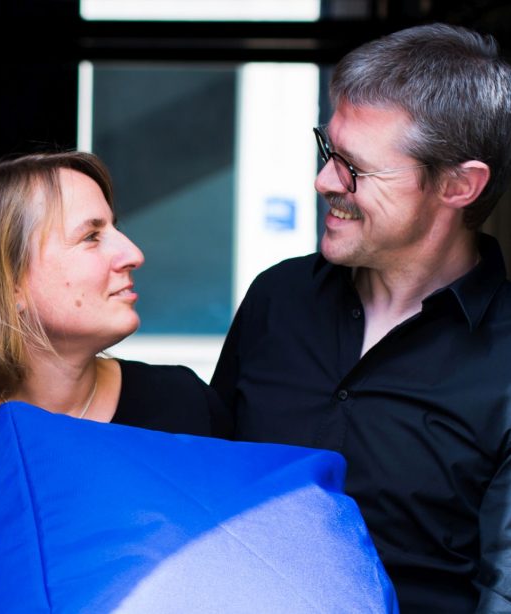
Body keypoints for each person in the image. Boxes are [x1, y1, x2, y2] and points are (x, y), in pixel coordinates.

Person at [211, 24, 511, 613]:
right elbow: (205, 488)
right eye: (328, 152)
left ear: (459, 185)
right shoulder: (279, 297)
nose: (325, 182)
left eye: (356, 169)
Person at [0, 151, 232, 549]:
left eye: (115, 227)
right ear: (8, 282)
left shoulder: (183, 404)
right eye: (91, 236)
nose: (133, 254)